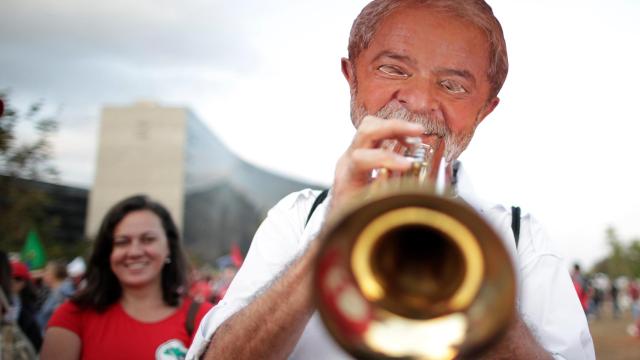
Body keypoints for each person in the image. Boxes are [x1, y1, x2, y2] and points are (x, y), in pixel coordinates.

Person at [187, 1, 595, 359]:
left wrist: (480, 296)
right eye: (393, 69)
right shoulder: (295, 219)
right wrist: (327, 242)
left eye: (452, 85)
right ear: (352, 79)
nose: (418, 101)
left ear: (484, 112)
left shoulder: (523, 240)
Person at [41, 195, 212, 359]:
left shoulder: (204, 319)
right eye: (122, 242)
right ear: (108, 252)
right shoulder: (73, 315)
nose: (135, 252)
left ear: (168, 247)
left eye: (148, 239)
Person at [10, 260, 43, 352]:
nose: (12, 281)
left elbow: (36, 341)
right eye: (9, 277)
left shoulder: (29, 306)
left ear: (25, 282)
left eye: (17, 278)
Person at [36, 260, 75, 332]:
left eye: (46, 271)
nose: (43, 274)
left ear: (54, 275)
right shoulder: (54, 291)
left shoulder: (64, 294)